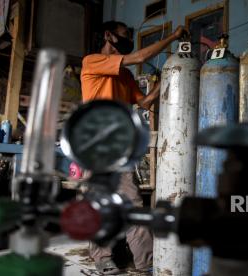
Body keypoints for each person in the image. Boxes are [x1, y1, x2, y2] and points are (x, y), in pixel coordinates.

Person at [80, 20, 187, 275]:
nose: (129, 39)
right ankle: (102, 258)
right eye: (125, 35)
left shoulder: (125, 76)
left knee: (133, 202)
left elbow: (147, 102)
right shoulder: (91, 61)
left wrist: (169, 74)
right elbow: (138, 56)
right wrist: (173, 37)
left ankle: (146, 262)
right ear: (109, 36)